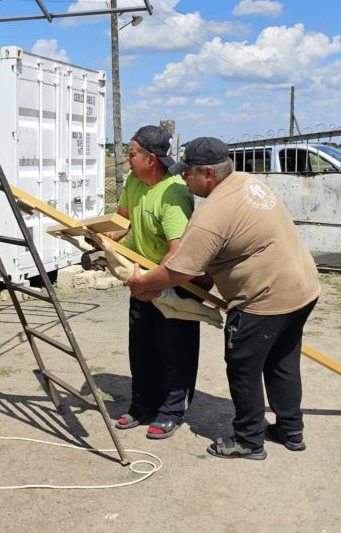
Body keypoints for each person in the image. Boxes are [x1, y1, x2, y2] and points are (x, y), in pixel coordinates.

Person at [126, 137, 321, 460]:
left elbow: (178, 270)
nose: (182, 178)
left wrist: (142, 282)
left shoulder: (212, 214)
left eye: (188, 173)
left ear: (208, 174)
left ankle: (248, 440)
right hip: (302, 288)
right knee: (281, 360)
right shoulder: (247, 183)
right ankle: (290, 429)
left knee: (243, 367)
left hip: (264, 299)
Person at [108, 125, 200, 440]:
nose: (127, 160)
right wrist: (103, 237)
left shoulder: (174, 193)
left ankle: (172, 410)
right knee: (142, 346)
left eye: (131, 154)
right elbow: (122, 220)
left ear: (151, 159)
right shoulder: (134, 181)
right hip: (142, 276)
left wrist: (153, 284)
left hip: (174, 282)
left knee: (175, 349)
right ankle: (142, 404)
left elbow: (177, 254)